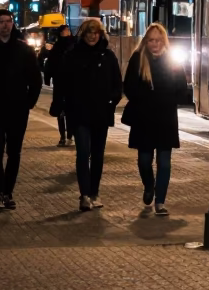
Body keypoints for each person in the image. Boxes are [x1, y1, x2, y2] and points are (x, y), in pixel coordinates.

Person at [0, 10, 43, 210]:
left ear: (13, 24)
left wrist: (28, 103)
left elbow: (35, 80)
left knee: (14, 152)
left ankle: (8, 192)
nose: (5, 25)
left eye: (8, 21)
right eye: (1, 22)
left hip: (17, 110)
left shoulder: (24, 51)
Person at [56, 18, 122, 212]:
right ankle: (85, 194)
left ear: (100, 34)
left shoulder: (108, 56)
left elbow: (117, 84)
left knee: (98, 155)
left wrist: (111, 100)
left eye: (96, 33)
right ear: (83, 35)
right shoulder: (72, 56)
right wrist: (64, 104)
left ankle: (94, 192)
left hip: (101, 112)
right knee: (83, 152)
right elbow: (63, 82)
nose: (92, 36)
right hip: (79, 112)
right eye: (89, 33)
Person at [123, 23, 188, 216]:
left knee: (164, 161)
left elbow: (182, 87)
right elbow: (128, 86)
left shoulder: (172, 61)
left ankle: (160, 201)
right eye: (151, 40)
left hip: (165, 118)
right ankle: (149, 186)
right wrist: (141, 100)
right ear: (146, 41)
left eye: (158, 40)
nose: (155, 44)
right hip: (143, 118)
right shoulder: (138, 59)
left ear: (164, 41)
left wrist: (170, 101)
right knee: (144, 160)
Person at [44, 25, 75, 145]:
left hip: (71, 84)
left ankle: (70, 136)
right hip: (59, 83)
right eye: (63, 31)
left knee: (70, 111)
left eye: (67, 30)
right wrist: (48, 77)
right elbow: (50, 63)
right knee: (60, 111)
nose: (66, 32)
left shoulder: (74, 45)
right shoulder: (57, 47)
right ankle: (63, 136)